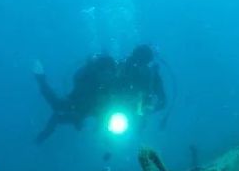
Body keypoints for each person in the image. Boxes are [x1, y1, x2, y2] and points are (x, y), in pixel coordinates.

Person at [34, 44, 166, 143]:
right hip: (100, 103)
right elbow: (99, 84)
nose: (136, 66)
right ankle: (41, 79)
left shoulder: (151, 77)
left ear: (148, 63)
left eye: (142, 62)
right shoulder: (118, 67)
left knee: (122, 130)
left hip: (122, 109)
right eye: (134, 60)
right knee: (60, 107)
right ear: (131, 57)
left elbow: (162, 101)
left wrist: (148, 109)